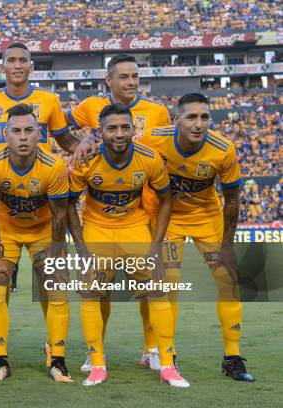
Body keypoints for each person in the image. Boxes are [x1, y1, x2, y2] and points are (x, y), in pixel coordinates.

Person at [68, 104, 189, 387]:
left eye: (125, 127)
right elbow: (68, 204)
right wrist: (81, 248)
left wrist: (156, 244)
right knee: (90, 293)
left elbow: (167, 200)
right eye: (112, 128)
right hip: (97, 230)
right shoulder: (87, 160)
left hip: (135, 230)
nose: (119, 133)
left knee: (158, 291)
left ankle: (168, 365)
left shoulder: (149, 159)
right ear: (100, 132)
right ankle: (97, 363)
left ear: (134, 129)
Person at [139, 93, 254, 382]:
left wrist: (227, 246)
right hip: (169, 219)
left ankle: (233, 357)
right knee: (169, 284)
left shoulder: (223, 149)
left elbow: (232, 199)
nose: (198, 123)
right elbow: (118, 148)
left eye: (204, 117)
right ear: (176, 119)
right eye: (191, 116)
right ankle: (168, 355)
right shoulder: (152, 138)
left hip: (207, 217)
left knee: (228, 279)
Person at [0, 41, 78, 368]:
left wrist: (85, 145)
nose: (17, 65)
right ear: (2, 66)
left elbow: (65, 140)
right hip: (6, 201)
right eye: (12, 60)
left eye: (23, 60)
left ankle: (55, 348)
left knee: (51, 282)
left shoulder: (49, 100)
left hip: (42, 200)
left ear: (31, 66)